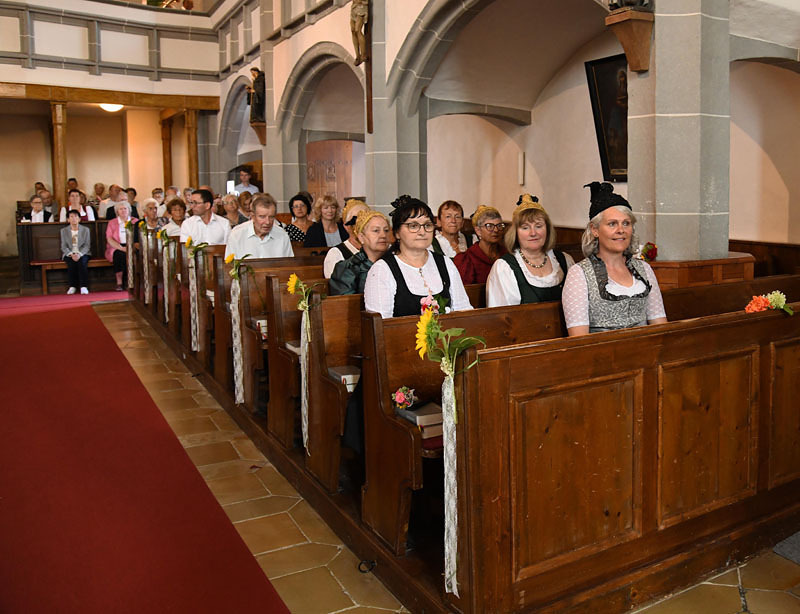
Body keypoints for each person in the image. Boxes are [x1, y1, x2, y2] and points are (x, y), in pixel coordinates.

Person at [562, 181, 667, 335]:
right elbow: (579, 339)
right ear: (595, 229)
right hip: (602, 349)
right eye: (612, 224)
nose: (621, 230)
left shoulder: (644, 269)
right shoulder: (579, 274)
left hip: (647, 348)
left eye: (626, 223)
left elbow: (661, 327)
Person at [364, 195, 473, 318]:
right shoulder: (382, 270)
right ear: (397, 232)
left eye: (427, 225)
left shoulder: (445, 263)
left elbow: (464, 311)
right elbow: (381, 323)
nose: (422, 232)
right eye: (413, 226)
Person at [486, 195, 574, 307]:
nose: (533, 233)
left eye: (538, 226)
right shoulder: (504, 268)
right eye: (525, 227)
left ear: (547, 229)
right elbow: (502, 315)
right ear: (515, 233)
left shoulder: (565, 261)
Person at [330, 209, 390, 295]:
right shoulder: (348, 269)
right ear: (361, 237)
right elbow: (345, 301)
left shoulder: (396, 262)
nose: (383, 235)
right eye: (376, 231)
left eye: (386, 230)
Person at [224, 193, 293, 259]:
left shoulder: (282, 235)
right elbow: (230, 265)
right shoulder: (237, 234)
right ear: (253, 216)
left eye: (271, 217)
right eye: (262, 217)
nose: (267, 222)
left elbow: (289, 264)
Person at [454, 205, 507, 284]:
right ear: (478, 231)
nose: (496, 230)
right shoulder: (468, 259)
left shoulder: (507, 254)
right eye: (489, 226)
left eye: (499, 226)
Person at [322, 198, 369, 278]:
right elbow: (336, 283)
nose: (362, 226)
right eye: (357, 222)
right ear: (346, 226)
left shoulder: (380, 249)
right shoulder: (336, 254)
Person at [105, 202, 137, 291]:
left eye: (125, 208)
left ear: (129, 210)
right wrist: (122, 248)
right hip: (117, 246)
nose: (123, 211)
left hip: (133, 246)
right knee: (119, 255)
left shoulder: (135, 221)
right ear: (117, 211)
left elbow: (138, 238)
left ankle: (131, 281)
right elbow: (109, 238)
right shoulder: (112, 222)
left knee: (133, 255)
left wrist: (131, 247)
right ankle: (120, 282)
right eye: (121, 209)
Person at [60, 209, 91, 295]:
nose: (74, 219)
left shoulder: (85, 230)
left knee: (82, 262)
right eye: (71, 217)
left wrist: (79, 254)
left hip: (83, 253)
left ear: (79, 219)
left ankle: (83, 286)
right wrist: (71, 254)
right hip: (69, 253)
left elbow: (87, 245)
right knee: (71, 263)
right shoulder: (64, 231)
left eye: (76, 216)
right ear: (68, 219)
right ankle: (72, 286)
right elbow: (63, 246)